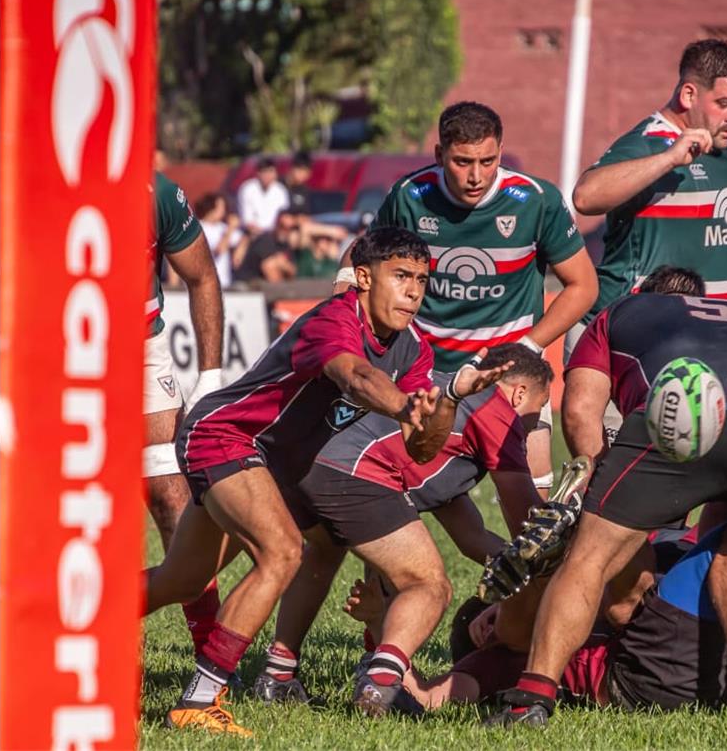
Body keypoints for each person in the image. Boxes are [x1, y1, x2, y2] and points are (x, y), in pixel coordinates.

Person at [146, 227, 514, 737]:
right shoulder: (333, 319)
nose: (413, 291)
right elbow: (356, 378)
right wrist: (407, 406)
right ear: (363, 278)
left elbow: (421, 447)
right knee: (284, 552)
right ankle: (200, 701)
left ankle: (62, 627)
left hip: (268, 465)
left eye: (422, 281)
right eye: (401, 277)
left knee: (180, 581)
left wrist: (447, 395)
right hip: (224, 436)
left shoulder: (413, 350)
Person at [484, 266, 727, 728]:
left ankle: (531, 701)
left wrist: (603, 489)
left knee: (589, 560)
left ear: (642, 293)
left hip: (677, 416)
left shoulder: (619, 313)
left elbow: (579, 412)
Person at [249, 343, 553, 711]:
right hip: (352, 473)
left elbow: (472, 538)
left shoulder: (453, 421)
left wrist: (515, 578)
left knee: (324, 553)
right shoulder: (494, 409)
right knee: (429, 586)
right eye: (536, 414)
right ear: (519, 394)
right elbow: (529, 520)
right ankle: (381, 684)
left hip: (303, 463)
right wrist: (560, 570)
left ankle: (277, 676)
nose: (532, 426)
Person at [565, 38, 727, 438]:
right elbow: (586, 196)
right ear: (689, 94)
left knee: (686, 473)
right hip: (626, 334)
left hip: (701, 339)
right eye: (724, 103)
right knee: (618, 475)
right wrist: (670, 158)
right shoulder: (647, 142)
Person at [368, 523, 727, 718]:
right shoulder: (505, 663)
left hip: (700, 658)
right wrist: (382, 631)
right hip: (645, 665)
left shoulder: (567, 610)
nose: (489, 628)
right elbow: (423, 698)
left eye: (486, 620)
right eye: (485, 631)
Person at [365, 101, 599, 497]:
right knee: (390, 495)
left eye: (488, 161)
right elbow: (364, 259)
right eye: (461, 162)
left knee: (532, 513)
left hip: (510, 374)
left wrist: (528, 347)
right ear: (440, 155)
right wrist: (343, 291)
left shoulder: (536, 200)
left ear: (500, 151)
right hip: (426, 374)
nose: (476, 175)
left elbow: (583, 286)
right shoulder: (409, 196)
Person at [144, 172, 226, 656]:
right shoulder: (24, 183)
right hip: (47, 348)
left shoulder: (154, 193)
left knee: (172, 496)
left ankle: (209, 653)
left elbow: (202, 276)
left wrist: (210, 375)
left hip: (138, 347)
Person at [194, 192, 244, 288]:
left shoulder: (222, 227)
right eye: (221, 208)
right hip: (205, 284)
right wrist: (231, 228)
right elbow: (219, 250)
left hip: (224, 282)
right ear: (211, 209)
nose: (224, 211)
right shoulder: (199, 228)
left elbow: (243, 239)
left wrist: (238, 253)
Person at [235, 209, 298, 283]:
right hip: (251, 280)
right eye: (282, 226)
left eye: (290, 228)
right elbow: (267, 266)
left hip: (266, 284)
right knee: (271, 265)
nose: (285, 231)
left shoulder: (286, 245)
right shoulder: (266, 240)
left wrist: (284, 265)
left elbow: (293, 270)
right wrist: (282, 264)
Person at [238, 156, 290, 236]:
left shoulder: (281, 190)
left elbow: (284, 216)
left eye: (271, 172)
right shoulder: (247, 189)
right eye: (265, 172)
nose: (268, 175)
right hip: (251, 233)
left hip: (274, 233)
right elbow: (247, 220)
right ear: (258, 173)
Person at [285, 150, 313, 215]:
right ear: (292, 168)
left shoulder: (305, 191)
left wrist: (296, 220)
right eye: (300, 169)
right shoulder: (278, 186)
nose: (302, 174)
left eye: (306, 171)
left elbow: (306, 215)